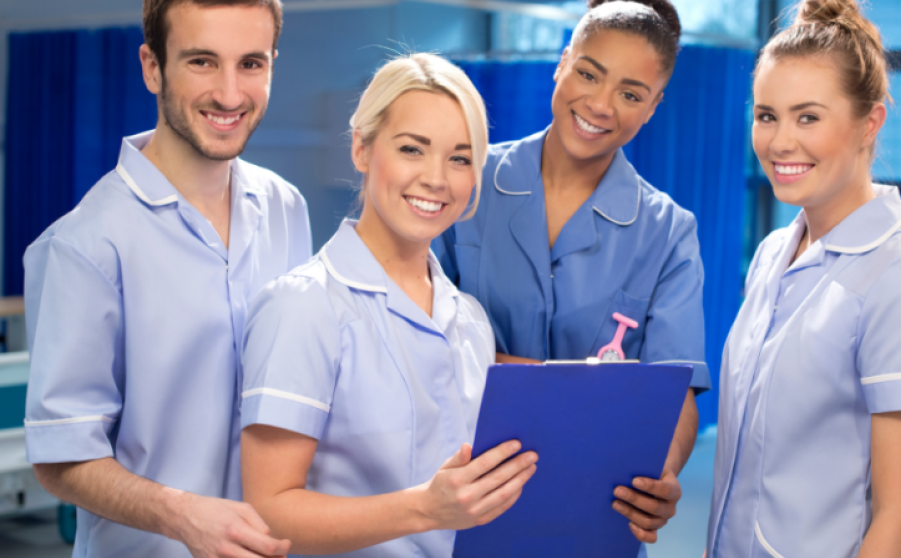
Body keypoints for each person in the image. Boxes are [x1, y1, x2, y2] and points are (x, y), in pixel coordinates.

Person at [23, 1, 311, 557]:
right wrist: (182, 516)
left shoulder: (286, 208)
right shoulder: (83, 246)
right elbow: (61, 459)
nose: (230, 94)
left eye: (251, 64)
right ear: (152, 67)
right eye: (202, 62)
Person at [432, 0, 708, 550]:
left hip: (595, 508)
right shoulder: (467, 181)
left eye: (631, 94)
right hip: (454, 488)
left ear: (653, 107)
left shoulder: (668, 231)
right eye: (588, 74)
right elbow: (404, 332)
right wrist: (570, 386)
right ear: (562, 63)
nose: (600, 105)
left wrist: (664, 474)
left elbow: (674, 391)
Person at [239, 53, 538, 558]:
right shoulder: (304, 306)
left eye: (460, 158)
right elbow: (269, 510)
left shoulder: (470, 320)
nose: (437, 179)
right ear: (361, 147)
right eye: (412, 149)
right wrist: (424, 508)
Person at [706, 1, 901, 556]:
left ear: (870, 122)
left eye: (808, 117)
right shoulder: (773, 253)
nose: (778, 142)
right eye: (766, 115)